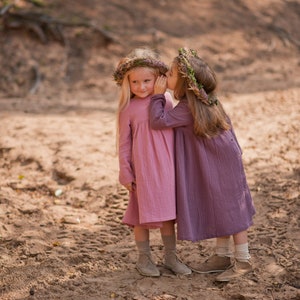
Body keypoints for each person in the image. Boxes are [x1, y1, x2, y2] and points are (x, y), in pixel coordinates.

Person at [149, 47, 256, 282]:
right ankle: (222, 255)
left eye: (171, 74)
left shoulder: (187, 108)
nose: (166, 75)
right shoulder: (205, 101)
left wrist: (158, 96)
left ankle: (243, 260)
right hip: (224, 161)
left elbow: (158, 121)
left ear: (185, 83)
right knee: (222, 205)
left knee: (230, 209)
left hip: (220, 163)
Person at [113, 48, 191, 277]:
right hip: (143, 169)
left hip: (167, 166)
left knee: (168, 213)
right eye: (135, 82)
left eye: (147, 80)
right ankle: (144, 258)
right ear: (127, 83)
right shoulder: (128, 109)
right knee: (140, 214)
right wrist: (125, 172)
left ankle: (170, 257)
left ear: (158, 78)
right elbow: (124, 144)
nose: (141, 86)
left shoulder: (166, 100)